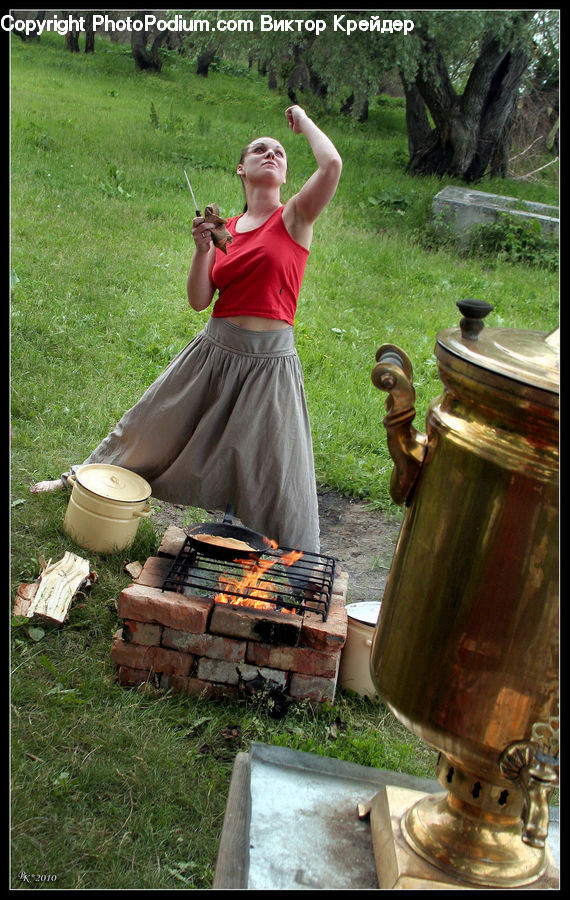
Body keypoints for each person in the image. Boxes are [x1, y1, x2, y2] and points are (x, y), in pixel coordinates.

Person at [31, 105, 342, 552]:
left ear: (288, 174)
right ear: (242, 168)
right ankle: (82, 479)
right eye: (260, 150)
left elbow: (331, 165)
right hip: (214, 352)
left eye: (279, 152)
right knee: (147, 426)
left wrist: (305, 121)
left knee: (279, 470)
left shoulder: (294, 218)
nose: (271, 153)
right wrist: (201, 250)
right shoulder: (226, 232)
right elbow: (199, 301)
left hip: (270, 363)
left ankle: (295, 563)